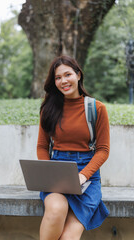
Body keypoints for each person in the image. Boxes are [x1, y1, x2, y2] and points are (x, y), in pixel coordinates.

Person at [37, 55, 110, 240]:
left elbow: (103, 149)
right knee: (55, 209)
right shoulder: (48, 109)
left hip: (87, 177)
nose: (63, 81)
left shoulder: (97, 108)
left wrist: (83, 175)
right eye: (58, 77)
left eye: (67, 74)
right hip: (57, 171)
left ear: (78, 75)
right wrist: (48, 173)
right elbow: (42, 146)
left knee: (70, 237)